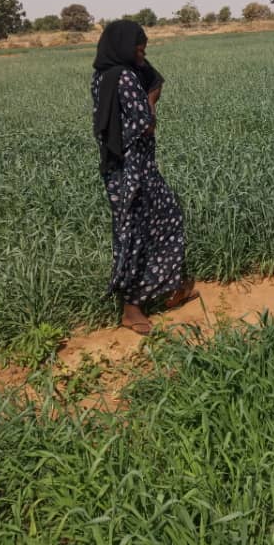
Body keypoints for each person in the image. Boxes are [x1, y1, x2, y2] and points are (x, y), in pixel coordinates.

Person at [91, 20, 197, 335]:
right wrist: (152, 101)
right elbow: (145, 124)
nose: (143, 54)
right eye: (139, 49)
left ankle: (171, 287)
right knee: (140, 231)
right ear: (125, 47)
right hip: (133, 168)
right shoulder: (124, 77)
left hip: (121, 167)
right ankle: (131, 308)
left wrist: (148, 78)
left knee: (159, 220)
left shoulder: (102, 75)